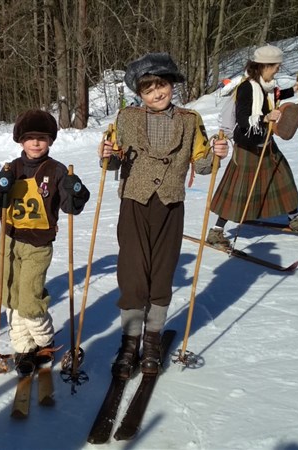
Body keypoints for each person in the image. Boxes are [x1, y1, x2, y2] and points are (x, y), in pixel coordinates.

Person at [98, 53, 228, 379]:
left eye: (162, 85)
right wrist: (107, 155)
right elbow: (113, 160)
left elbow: (202, 164)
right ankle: (129, 342)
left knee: (162, 273)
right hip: (134, 203)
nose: (157, 94)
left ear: (172, 84)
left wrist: (217, 154)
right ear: (139, 94)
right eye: (149, 89)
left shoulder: (189, 119)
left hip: (170, 205)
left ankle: (152, 339)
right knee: (132, 273)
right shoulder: (126, 118)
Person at [0, 109, 90, 374]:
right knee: (11, 296)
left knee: (30, 298)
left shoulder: (55, 171)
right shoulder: (12, 168)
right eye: (30, 138)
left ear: (50, 141)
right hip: (8, 240)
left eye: (41, 138)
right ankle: (23, 348)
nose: (35, 143)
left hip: (38, 243)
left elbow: (71, 208)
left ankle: (44, 342)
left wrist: (75, 190)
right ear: (20, 140)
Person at [207, 45, 298, 249]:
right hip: (248, 145)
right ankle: (216, 232)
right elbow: (243, 119)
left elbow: (274, 96)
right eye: (276, 66)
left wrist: (293, 90)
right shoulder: (247, 87)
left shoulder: (266, 86)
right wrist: (266, 117)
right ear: (265, 66)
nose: (277, 70)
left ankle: (294, 218)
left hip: (265, 141)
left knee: (282, 177)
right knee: (238, 189)